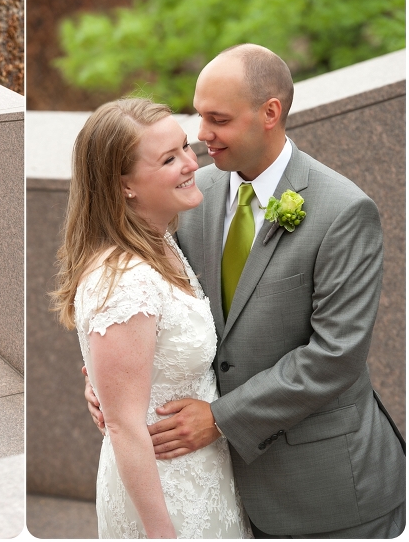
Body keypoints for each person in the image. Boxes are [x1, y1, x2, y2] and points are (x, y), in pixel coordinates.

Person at [87, 44, 406, 537]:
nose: (201, 136)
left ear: (270, 113)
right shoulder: (194, 194)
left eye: (217, 119)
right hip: (220, 488)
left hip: (328, 490)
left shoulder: (344, 211)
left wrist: (219, 418)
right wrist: (106, 381)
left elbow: (335, 355)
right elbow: (140, 299)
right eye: (198, 114)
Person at [54, 98, 253, 538]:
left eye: (185, 147)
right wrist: (162, 533)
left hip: (204, 474)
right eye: (169, 159)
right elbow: (125, 427)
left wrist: (101, 383)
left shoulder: (163, 240)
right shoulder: (124, 280)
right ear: (124, 185)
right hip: (163, 494)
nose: (191, 163)